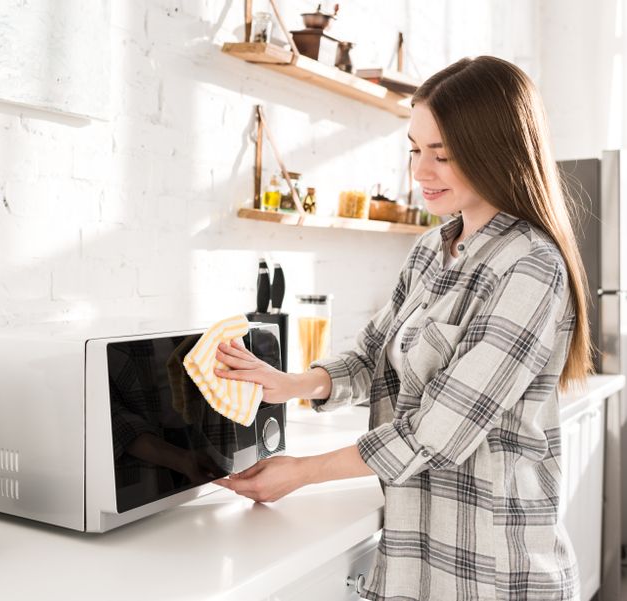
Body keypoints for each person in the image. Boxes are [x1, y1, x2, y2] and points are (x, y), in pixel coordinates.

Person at [213, 55, 591, 601]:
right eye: (415, 150)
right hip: (416, 558)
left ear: (497, 152)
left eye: (444, 154)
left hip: (495, 568)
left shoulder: (530, 266)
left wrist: (301, 472)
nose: (420, 172)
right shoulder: (428, 253)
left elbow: (440, 430)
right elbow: (371, 356)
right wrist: (294, 383)